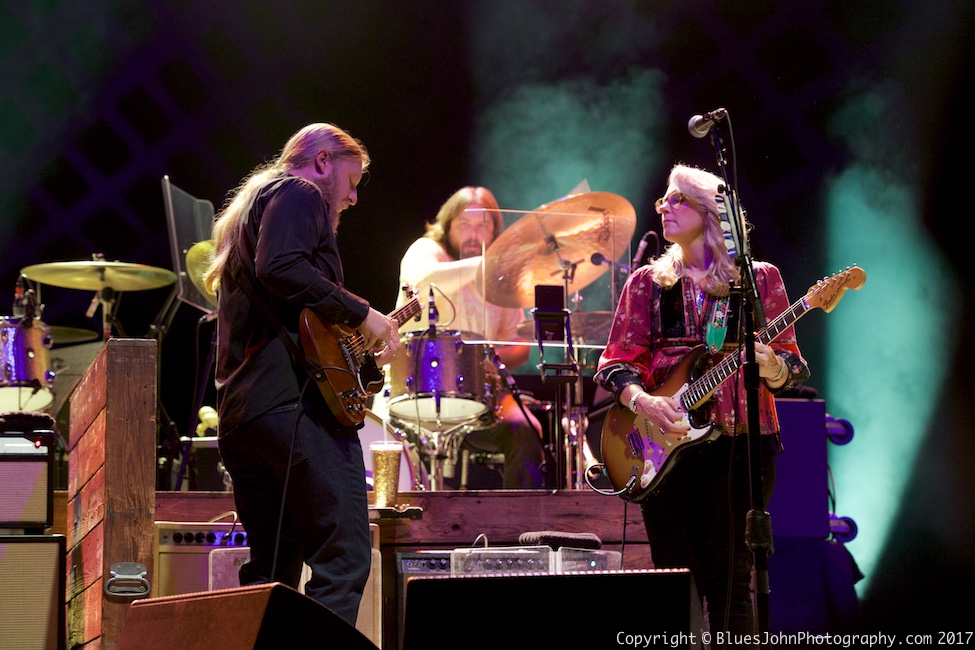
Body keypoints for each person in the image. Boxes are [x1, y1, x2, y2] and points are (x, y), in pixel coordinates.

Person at [594, 164, 810, 640]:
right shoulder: (649, 283)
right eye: (664, 200)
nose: (664, 207)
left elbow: (793, 367)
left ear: (711, 213)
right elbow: (613, 363)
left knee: (731, 582)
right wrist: (644, 401)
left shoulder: (758, 281)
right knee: (676, 579)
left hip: (739, 446)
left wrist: (772, 365)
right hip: (663, 449)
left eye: (677, 200)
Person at [202, 122, 400, 626]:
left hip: (245, 418)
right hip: (294, 410)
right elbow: (283, 267)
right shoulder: (299, 192)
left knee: (271, 575)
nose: (353, 198)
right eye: (352, 182)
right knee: (345, 558)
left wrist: (360, 355)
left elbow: (286, 306)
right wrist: (362, 313)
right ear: (322, 162)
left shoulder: (252, 209)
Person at [385, 186, 549, 489]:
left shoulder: (502, 279)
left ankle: (522, 529)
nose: (474, 234)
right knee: (384, 445)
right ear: (448, 226)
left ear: (495, 230)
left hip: (481, 397)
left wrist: (487, 361)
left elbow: (520, 346)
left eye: (483, 225)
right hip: (414, 390)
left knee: (527, 428)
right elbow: (422, 280)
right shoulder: (428, 250)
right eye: (465, 224)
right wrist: (489, 264)